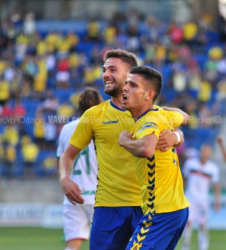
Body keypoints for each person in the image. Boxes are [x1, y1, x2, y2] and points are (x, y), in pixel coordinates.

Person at [59, 50, 183, 250]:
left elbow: (180, 119)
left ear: (129, 75)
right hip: (108, 207)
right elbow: (68, 154)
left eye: (112, 70)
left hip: (147, 206)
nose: (105, 74)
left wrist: (176, 137)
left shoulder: (149, 113)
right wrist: (64, 178)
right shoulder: (93, 116)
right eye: (104, 69)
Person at [118, 66, 190, 250]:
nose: (125, 88)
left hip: (160, 212)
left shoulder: (148, 121)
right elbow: (184, 116)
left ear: (148, 94)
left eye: (133, 85)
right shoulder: (160, 115)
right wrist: (177, 137)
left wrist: (124, 142)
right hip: (177, 210)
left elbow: (147, 149)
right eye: (126, 83)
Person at [56, 88, 102, 250]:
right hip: (101, 197)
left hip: (74, 195)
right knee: (105, 244)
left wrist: (64, 179)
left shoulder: (67, 129)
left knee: (72, 245)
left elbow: (61, 160)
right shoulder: (104, 126)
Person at [182, 145, 221, 250]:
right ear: (200, 152)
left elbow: (216, 185)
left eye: (207, 152)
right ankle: (185, 246)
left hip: (203, 200)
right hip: (190, 198)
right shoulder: (190, 164)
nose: (204, 153)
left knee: (203, 224)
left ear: (210, 154)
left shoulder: (213, 168)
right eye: (203, 151)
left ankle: (203, 247)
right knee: (188, 222)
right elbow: (184, 179)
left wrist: (218, 200)